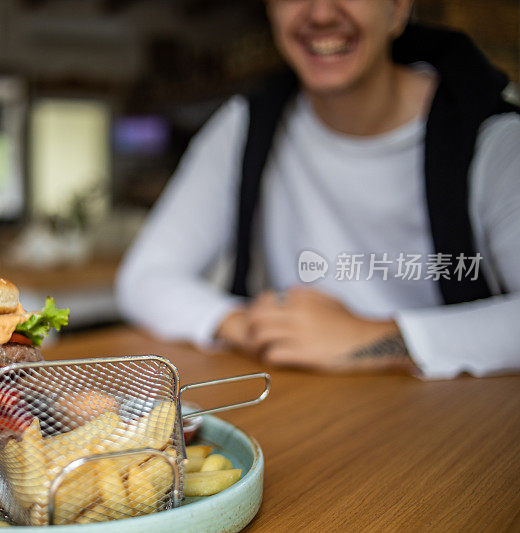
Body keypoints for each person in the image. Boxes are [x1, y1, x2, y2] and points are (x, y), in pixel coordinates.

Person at [115, 0, 520, 379]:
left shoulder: (492, 137)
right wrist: (250, 325)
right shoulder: (246, 126)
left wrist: (374, 337)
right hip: (297, 405)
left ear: (397, 9)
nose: (321, 13)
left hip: (450, 425)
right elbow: (145, 276)